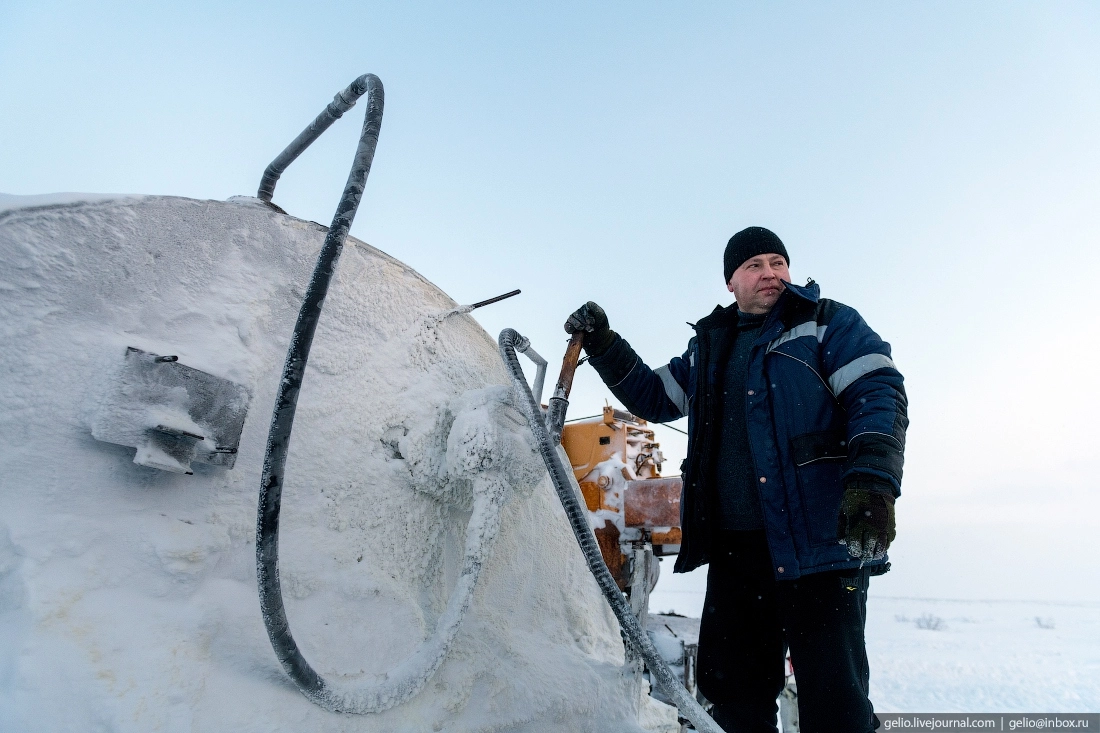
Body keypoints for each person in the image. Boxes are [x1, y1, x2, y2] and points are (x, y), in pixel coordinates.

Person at [564, 226, 907, 733]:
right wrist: (605, 345)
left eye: (777, 262)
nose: (770, 273)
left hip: (818, 548)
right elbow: (655, 396)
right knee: (734, 699)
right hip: (737, 554)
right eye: (754, 265)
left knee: (836, 706)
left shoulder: (826, 323)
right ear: (731, 282)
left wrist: (873, 481)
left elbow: (878, 393)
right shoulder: (711, 348)